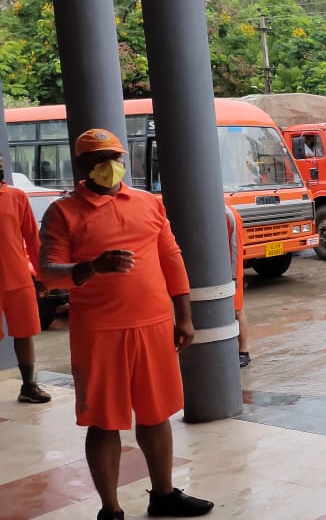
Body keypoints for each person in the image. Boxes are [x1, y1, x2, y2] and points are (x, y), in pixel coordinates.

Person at [38, 128, 214, 520]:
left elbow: (172, 258)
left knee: (155, 414)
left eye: (115, 157)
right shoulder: (63, 212)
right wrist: (91, 268)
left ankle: (164, 495)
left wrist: (183, 316)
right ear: (82, 166)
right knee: (104, 422)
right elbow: (49, 273)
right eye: (100, 159)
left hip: (153, 326)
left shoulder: (148, 203)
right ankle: (111, 509)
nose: (110, 166)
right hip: (99, 333)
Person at [0, 154, 52, 404]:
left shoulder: (16, 197)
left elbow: (33, 239)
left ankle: (29, 385)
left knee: (25, 332)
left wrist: (43, 275)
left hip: (18, 277)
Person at [224, 205, 252, 368]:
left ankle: (243, 352)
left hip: (231, 270)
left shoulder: (228, 214)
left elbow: (235, 247)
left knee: (237, 311)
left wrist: (234, 276)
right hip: (220, 270)